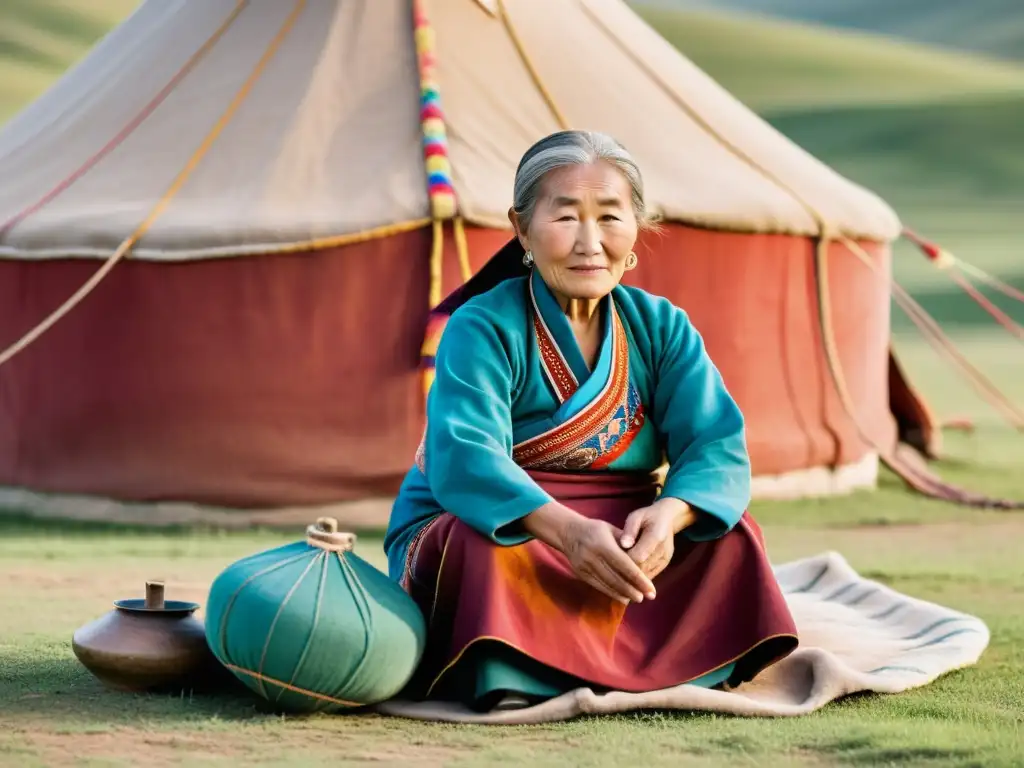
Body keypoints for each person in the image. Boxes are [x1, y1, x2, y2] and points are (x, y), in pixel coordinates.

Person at [383, 129, 798, 713]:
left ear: (636, 232)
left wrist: (668, 517)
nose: (589, 242)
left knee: (729, 536)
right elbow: (467, 458)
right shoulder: (480, 325)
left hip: (626, 527)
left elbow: (715, 446)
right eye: (565, 218)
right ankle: (519, 667)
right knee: (480, 550)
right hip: (510, 523)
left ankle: (683, 660)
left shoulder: (662, 326)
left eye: (609, 218)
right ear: (521, 229)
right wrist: (569, 532)